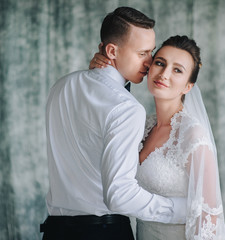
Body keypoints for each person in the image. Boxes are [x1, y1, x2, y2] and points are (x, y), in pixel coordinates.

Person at [41, 7, 187, 240]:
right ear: (111, 50)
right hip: (104, 233)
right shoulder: (127, 109)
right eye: (142, 53)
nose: (150, 63)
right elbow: (120, 195)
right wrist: (179, 210)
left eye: (151, 52)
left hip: (54, 232)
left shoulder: (61, 87)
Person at [91, 35, 225, 239]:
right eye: (160, 63)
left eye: (177, 70)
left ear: (188, 87)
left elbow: (209, 216)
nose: (164, 74)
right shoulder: (143, 125)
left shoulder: (192, 134)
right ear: (149, 68)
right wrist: (102, 71)